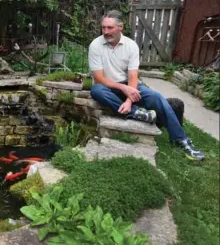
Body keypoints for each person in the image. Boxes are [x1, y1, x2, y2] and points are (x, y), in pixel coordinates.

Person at [88, 10, 205, 161]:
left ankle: (180, 140)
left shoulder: (131, 46)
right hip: (107, 87)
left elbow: (133, 76)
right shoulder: (95, 45)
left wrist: (129, 99)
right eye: (103, 28)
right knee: (96, 90)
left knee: (157, 98)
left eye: (110, 28)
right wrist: (124, 89)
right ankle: (137, 113)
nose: (106, 31)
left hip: (130, 85)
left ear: (120, 27)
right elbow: (98, 78)